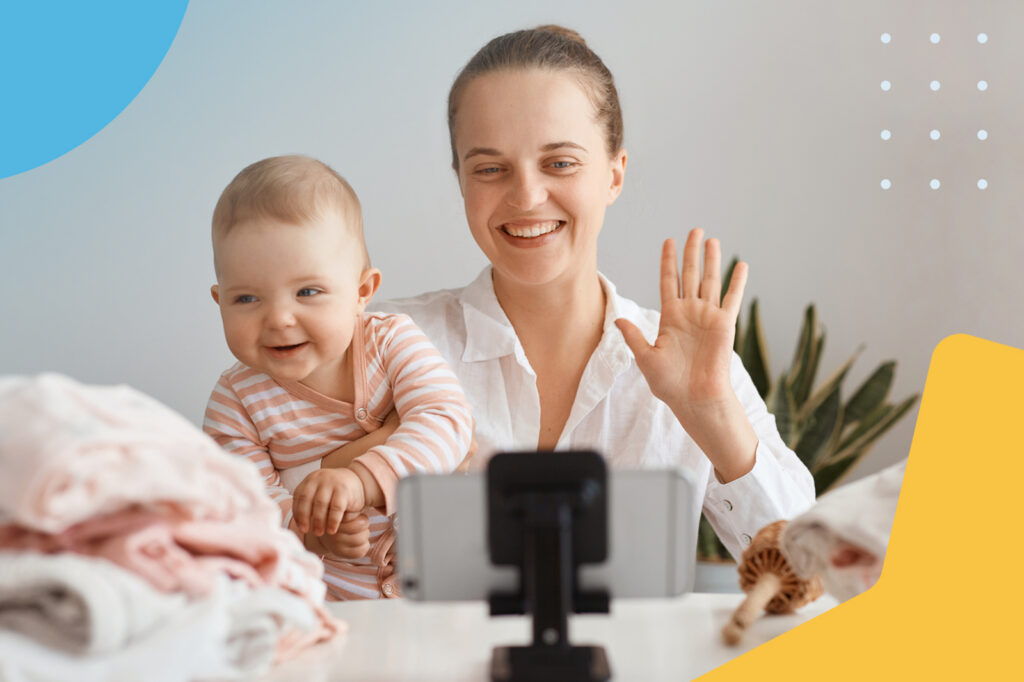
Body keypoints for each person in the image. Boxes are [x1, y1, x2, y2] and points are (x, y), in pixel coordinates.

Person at [369, 25, 815, 560]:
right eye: (490, 168)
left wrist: (710, 413)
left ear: (614, 174)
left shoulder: (687, 362)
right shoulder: (383, 344)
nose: (528, 196)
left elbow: (805, 570)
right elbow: (277, 519)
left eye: (560, 163)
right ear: (461, 179)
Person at [202, 155, 474, 599]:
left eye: (307, 292)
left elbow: (449, 420)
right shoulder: (235, 400)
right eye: (247, 298)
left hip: (446, 586)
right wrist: (307, 531)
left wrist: (360, 479)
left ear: (362, 292)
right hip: (331, 602)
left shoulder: (391, 343)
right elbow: (240, 509)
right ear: (219, 301)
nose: (279, 318)